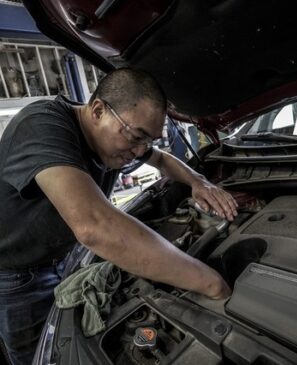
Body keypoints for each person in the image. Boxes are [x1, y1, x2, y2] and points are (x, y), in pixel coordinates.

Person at [0, 67, 237, 364]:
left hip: (66, 257)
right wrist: (210, 283)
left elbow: (161, 159)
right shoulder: (41, 126)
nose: (139, 151)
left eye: (147, 140)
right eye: (136, 137)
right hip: (18, 278)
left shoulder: (112, 138)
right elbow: (93, 226)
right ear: (98, 110)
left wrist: (197, 181)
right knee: (42, 357)